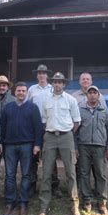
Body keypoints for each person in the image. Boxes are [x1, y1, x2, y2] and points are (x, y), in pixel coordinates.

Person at [37, 72, 81, 215]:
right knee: (47, 173)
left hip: (66, 136)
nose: (57, 84)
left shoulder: (71, 100)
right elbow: (44, 120)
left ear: (64, 84)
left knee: (71, 173)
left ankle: (74, 204)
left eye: (59, 82)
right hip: (49, 137)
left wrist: (66, 133)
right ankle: (44, 206)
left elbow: (76, 122)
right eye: (54, 82)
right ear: (52, 83)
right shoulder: (46, 100)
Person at [0, 82, 43, 215]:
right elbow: (2, 126)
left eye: (24, 91)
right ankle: (10, 202)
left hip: (27, 145)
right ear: (14, 92)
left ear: (27, 92)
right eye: (19, 90)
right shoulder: (7, 108)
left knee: (26, 175)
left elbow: (38, 128)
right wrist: (0, 142)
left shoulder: (33, 108)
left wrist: (37, 144)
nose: (21, 93)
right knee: (10, 175)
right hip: (9, 145)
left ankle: (23, 202)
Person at [76, 86, 108, 215]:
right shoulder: (80, 111)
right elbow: (75, 130)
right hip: (83, 146)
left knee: (100, 174)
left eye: (95, 93)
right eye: (90, 93)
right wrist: (75, 147)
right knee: (84, 173)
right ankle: (87, 200)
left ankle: (102, 202)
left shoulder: (106, 111)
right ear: (87, 96)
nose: (92, 95)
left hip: (100, 147)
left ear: (98, 96)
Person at [27, 64, 61, 198]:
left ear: (47, 75)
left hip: (49, 125)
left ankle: (54, 186)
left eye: (44, 73)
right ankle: (31, 186)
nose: (41, 75)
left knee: (50, 157)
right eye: (39, 73)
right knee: (33, 157)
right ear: (37, 75)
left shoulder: (52, 89)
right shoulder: (31, 90)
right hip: (34, 127)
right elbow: (28, 106)